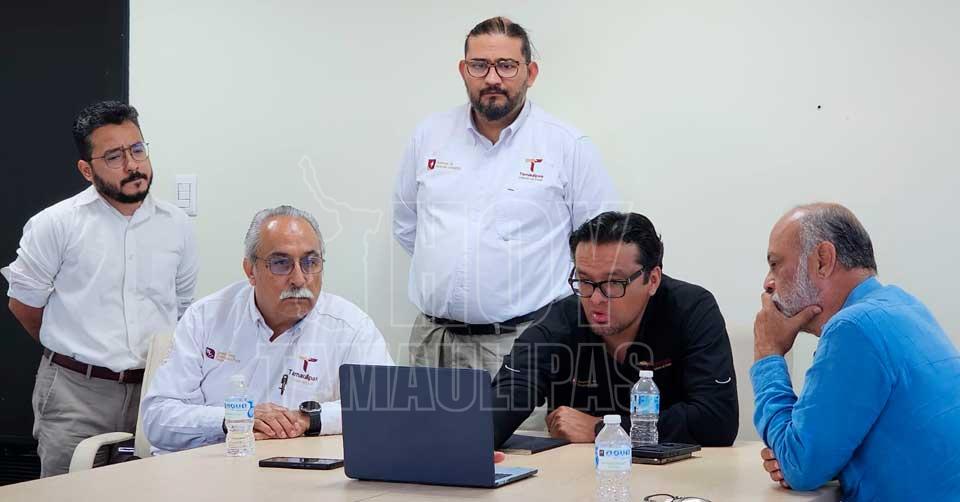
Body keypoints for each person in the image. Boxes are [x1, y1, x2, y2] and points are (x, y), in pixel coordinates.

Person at [393, 16, 618, 378]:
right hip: (432, 343)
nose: (492, 78)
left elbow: (601, 249)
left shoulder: (567, 146)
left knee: (516, 422)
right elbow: (407, 227)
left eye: (506, 65)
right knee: (418, 421)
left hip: (521, 342)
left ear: (531, 73)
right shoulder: (429, 136)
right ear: (463, 71)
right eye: (479, 65)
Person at [1, 101, 199, 476]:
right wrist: (75, 350)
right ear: (86, 170)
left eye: (137, 149)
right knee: (68, 494)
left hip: (154, 391)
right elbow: (24, 306)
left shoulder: (176, 225)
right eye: (114, 156)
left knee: (152, 491)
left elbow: (183, 308)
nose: (132, 165)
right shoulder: (56, 224)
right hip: (77, 394)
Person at [142, 206, 394, 453]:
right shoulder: (205, 317)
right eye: (281, 263)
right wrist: (235, 419)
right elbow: (157, 419)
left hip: (299, 472)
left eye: (310, 262)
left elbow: (384, 409)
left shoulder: (350, 327)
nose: (299, 278)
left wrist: (308, 419)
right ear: (250, 271)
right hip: (209, 465)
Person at [753, 203, 960, 500]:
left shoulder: (852, 328)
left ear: (823, 260)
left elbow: (799, 466)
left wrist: (768, 353)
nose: (767, 283)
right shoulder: (904, 306)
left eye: (775, 264)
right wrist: (807, 454)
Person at [491, 211, 738, 447]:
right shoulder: (559, 322)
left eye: (613, 282)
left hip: (676, 470)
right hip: (578, 470)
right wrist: (481, 440)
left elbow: (718, 420)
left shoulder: (692, 309)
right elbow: (508, 395)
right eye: (585, 280)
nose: (596, 298)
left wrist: (602, 429)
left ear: (652, 280)